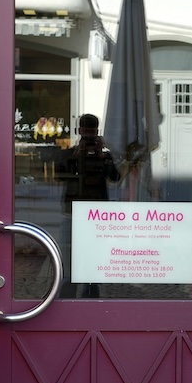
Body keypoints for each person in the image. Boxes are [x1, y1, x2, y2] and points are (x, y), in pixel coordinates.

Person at [59, 113, 121, 297]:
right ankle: (68, 295)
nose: (88, 137)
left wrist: (103, 156)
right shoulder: (70, 154)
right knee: (69, 259)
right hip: (72, 212)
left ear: (97, 133)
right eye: (85, 133)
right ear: (79, 132)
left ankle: (91, 294)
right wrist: (77, 155)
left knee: (94, 258)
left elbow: (115, 177)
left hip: (96, 214)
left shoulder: (105, 155)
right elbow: (60, 176)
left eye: (91, 133)